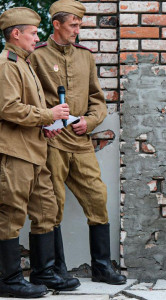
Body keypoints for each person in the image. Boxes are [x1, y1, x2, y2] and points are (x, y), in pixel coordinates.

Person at [29, 0, 126, 285]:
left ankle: (101, 267)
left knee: (97, 197)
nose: (78, 30)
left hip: (81, 142)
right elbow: (28, 98)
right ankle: (56, 270)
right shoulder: (36, 56)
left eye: (79, 25)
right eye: (73, 24)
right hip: (52, 142)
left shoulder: (86, 56)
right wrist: (45, 122)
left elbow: (98, 99)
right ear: (56, 24)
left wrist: (91, 121)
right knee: (52, 205)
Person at [0, 7, 80, 298]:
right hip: (16, 152)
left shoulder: (24, 62)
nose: (37, 37)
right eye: (33, 32)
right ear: (16, 33)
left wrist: (47, 125)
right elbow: (8, 109)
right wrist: (48, 115)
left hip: (36, 148)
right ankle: (9, 280)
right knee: (12, 214)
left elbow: (27, 109)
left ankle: (44, 273)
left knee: (46, 209)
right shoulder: (7, 64)